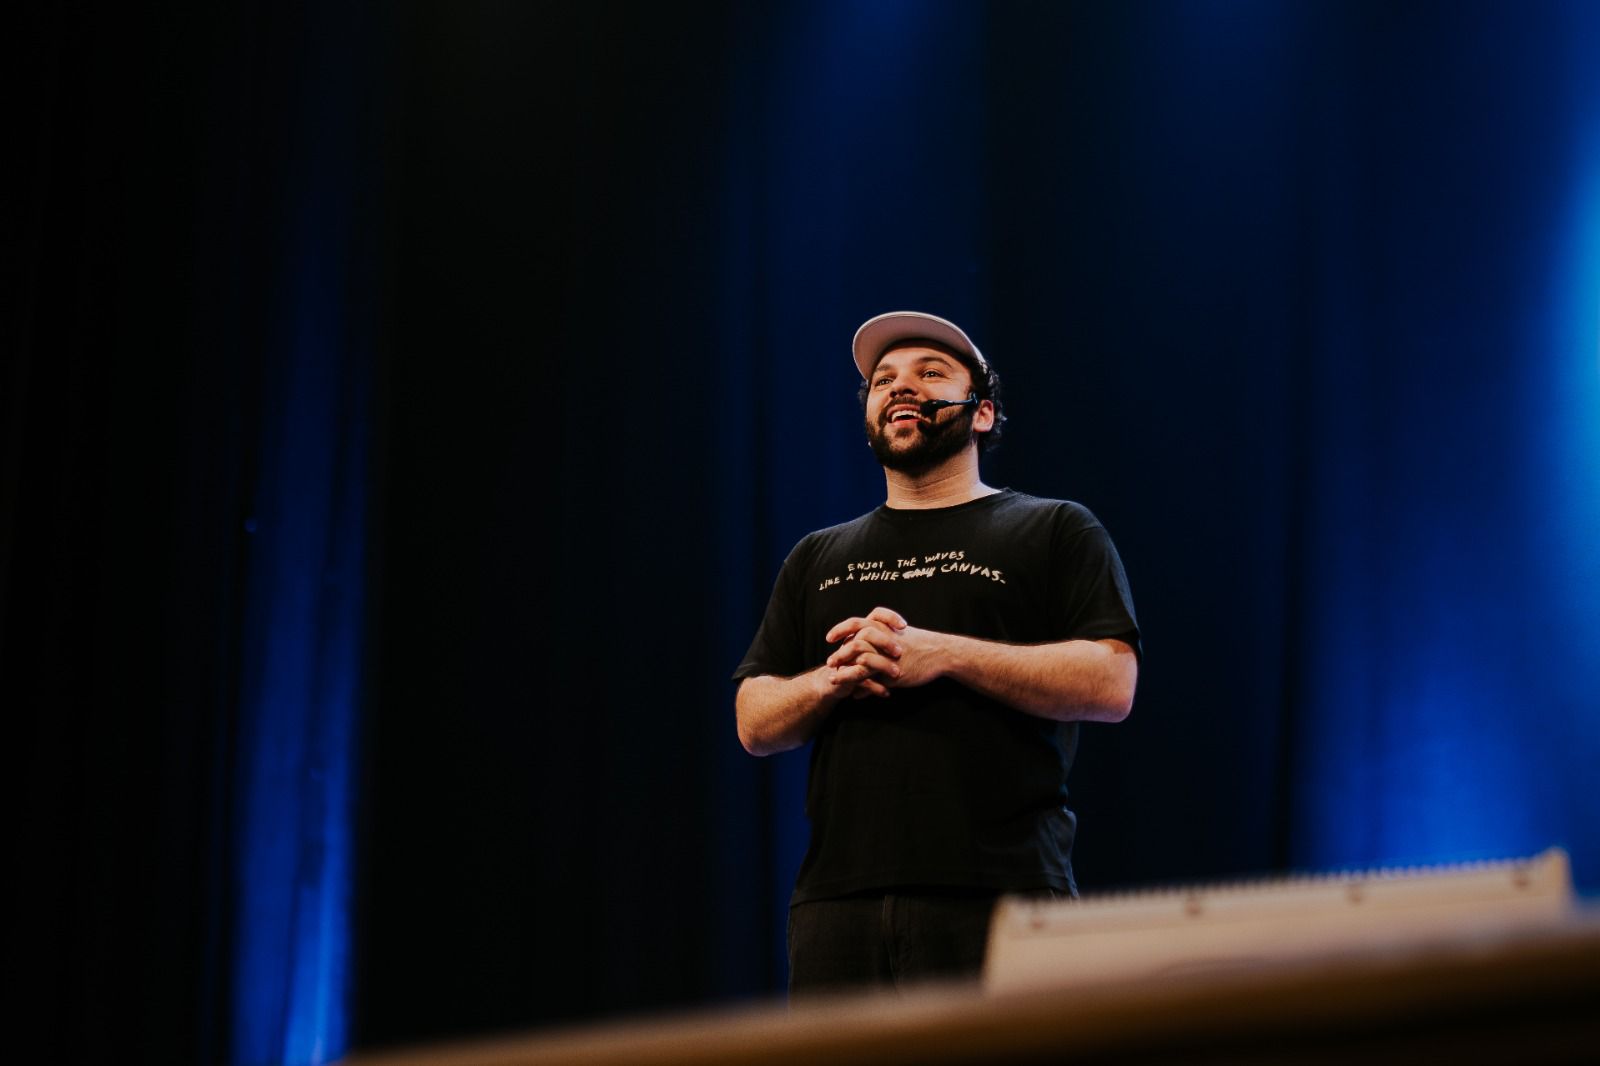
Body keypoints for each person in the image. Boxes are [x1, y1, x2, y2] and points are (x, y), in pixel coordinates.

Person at [733, 311, 1142, 995]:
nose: (900, 387)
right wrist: (834, 677)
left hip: (1002, 893)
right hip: (837, 904)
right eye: (883, 380)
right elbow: (753, 719)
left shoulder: (1054, 528)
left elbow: (1112, 681)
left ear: (981, 413)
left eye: (930, 373)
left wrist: (943, 653)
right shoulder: (816, 556)